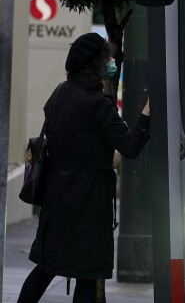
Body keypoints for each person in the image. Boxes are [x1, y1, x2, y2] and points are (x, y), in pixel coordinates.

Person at [18, 33, 152, 303]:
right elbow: (130, 146)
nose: (111, 62)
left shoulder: (59, 93)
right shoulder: (98, 105)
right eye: (106, 58)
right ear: (95, 64)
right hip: (89, 203)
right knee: (87, 276)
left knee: (45, 268)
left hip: (57, 199)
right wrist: (148, 113)